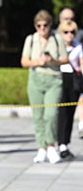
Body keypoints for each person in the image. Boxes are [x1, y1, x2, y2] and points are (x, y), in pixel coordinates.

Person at [21, 9, 68, 164]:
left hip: (54, 79)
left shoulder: (57, 39)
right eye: (39, 25)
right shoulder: (31, 39)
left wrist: (52, 60)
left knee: (51, 114)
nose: (42, 29)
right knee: (38, 116)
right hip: (35, 79)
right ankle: (41, 147)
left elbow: (65, 59)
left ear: (50, 25)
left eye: (45, 25)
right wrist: (37, 62)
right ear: (35, 26)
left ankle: (52, 146)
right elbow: (24, 61)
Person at [57, 18, 81, 159]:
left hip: (73, 80)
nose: (69, 35)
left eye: (72, 32)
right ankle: (56, 143)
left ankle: (65, 144)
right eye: (66, 32)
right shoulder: (57, 46)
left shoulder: (78, 47)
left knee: (70, 113)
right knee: (60, 113)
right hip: (59, 78)